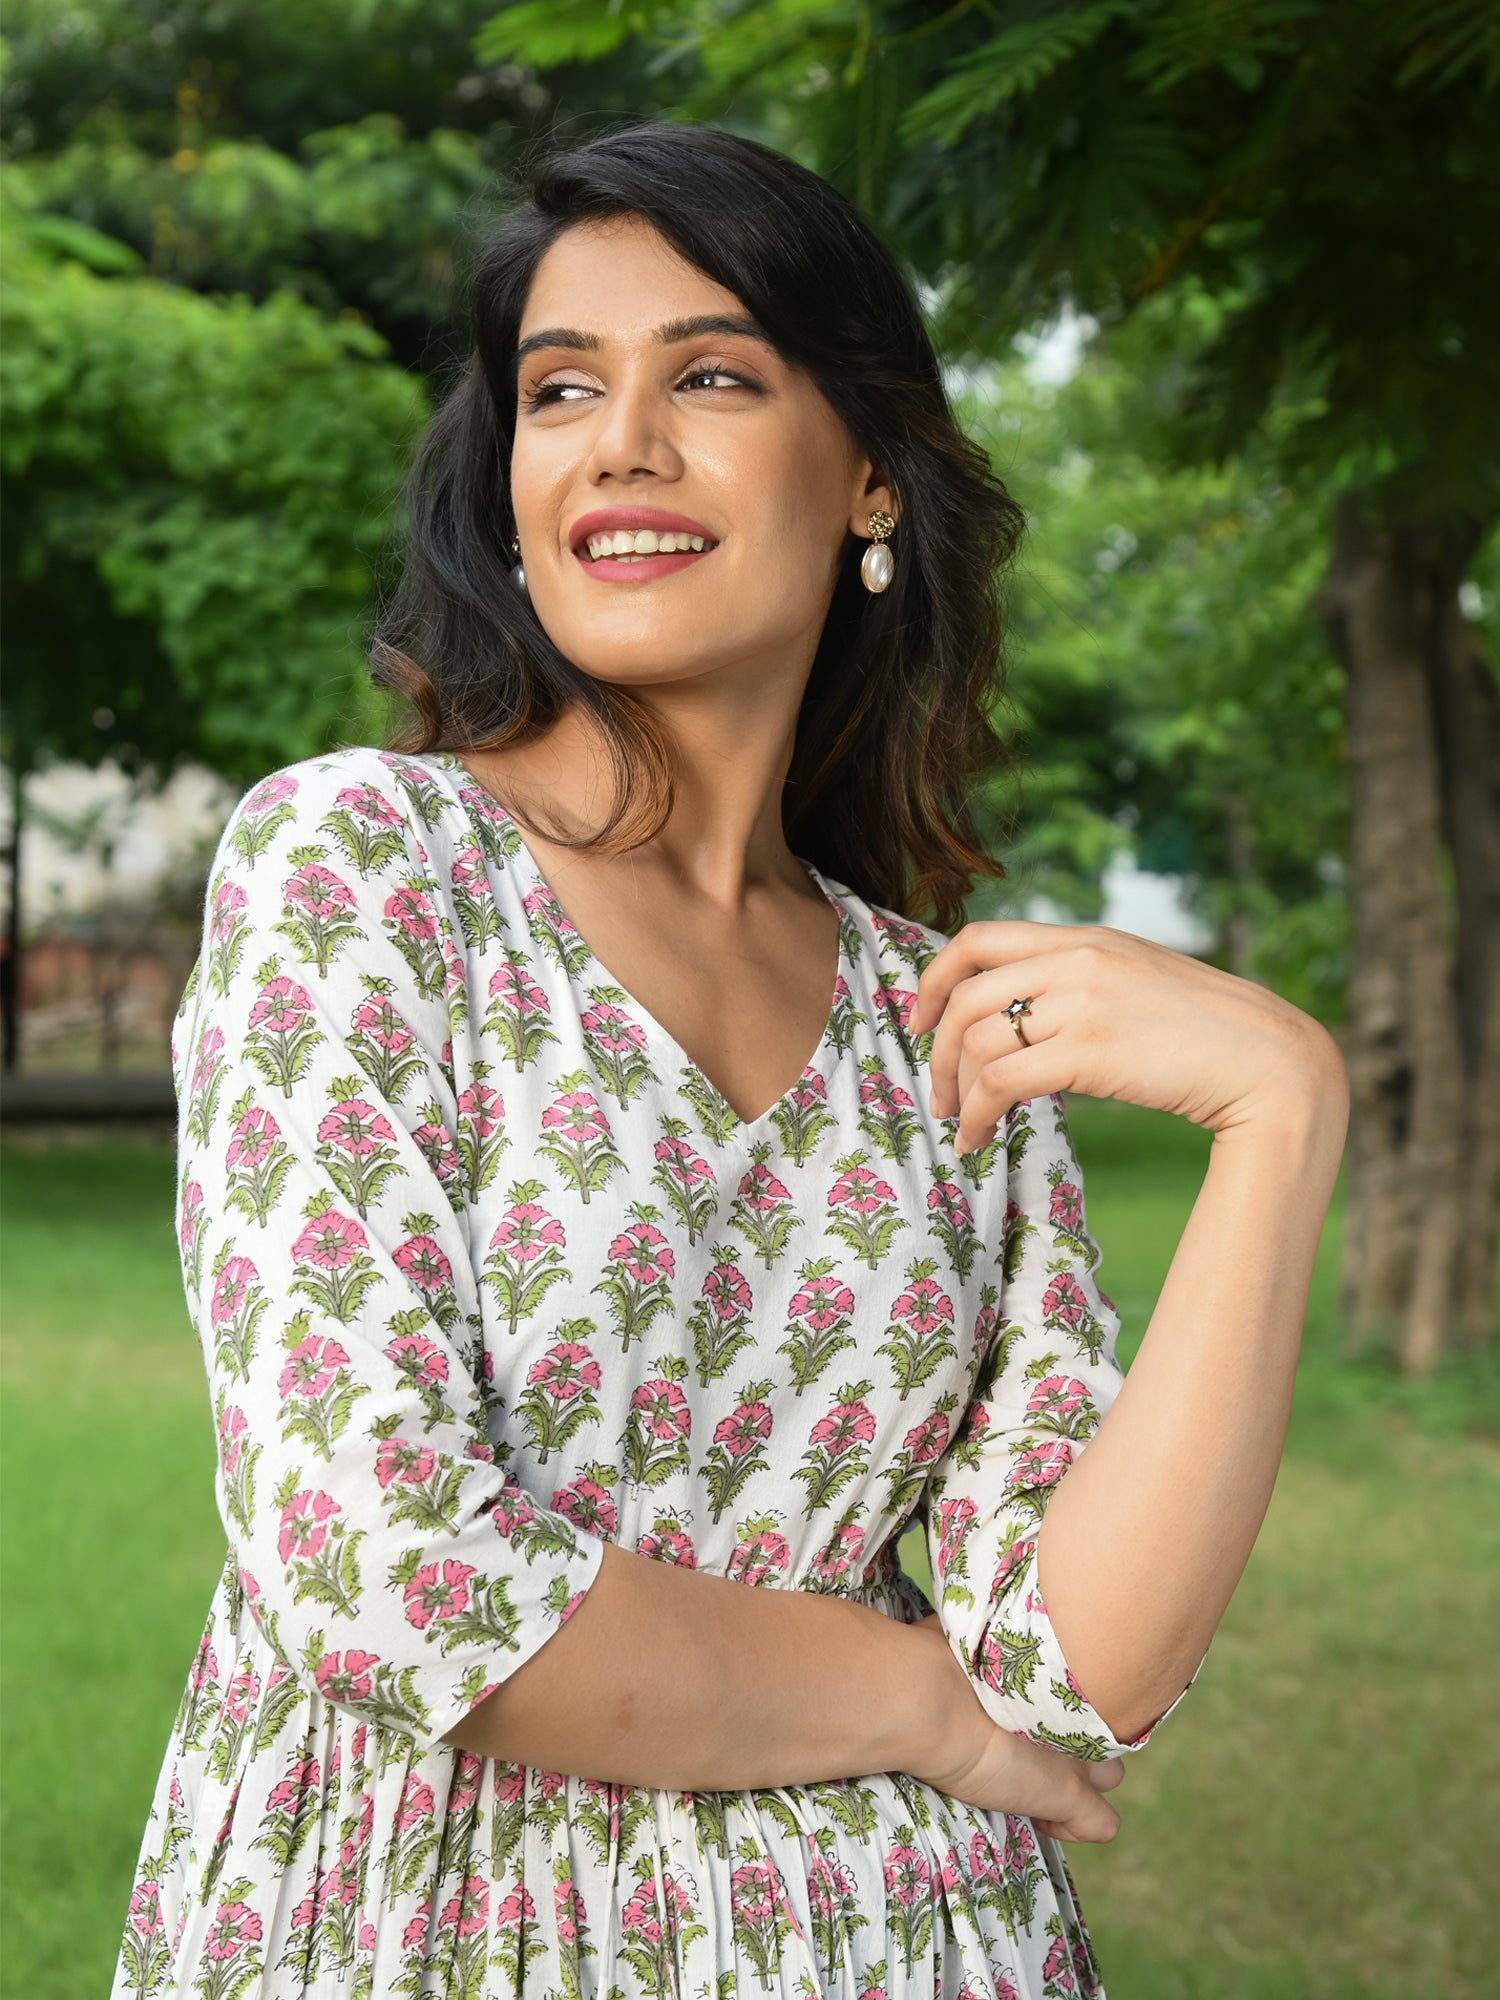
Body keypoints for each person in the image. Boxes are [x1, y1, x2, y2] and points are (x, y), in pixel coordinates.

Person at [111, 121, 1349, 2000]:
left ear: (870, 474)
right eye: (559, 390)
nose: (619, 442)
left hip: (914, 1942)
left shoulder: (941, 1019)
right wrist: (916, 1703)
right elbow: (384, 1568)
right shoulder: (364, 869)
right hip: (416, 1931)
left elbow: (1082, 1671)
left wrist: (1281, 1109)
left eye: (709, 375)